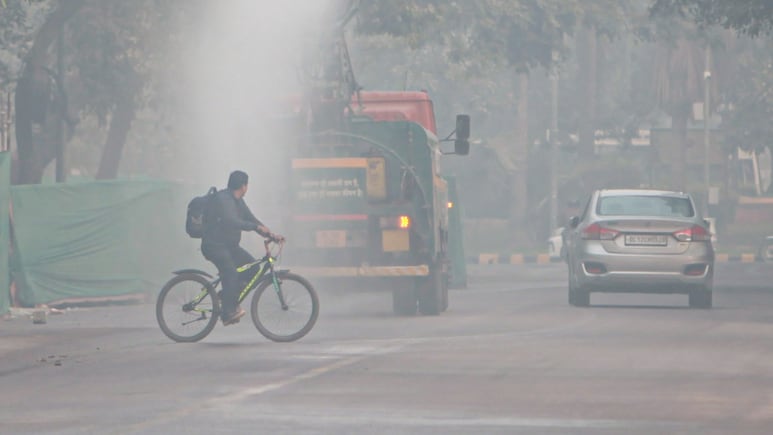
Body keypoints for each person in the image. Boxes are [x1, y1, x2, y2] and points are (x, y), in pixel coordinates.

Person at [201, 170, 284, 325]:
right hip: (214, 246)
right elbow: (231, 221)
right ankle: (228, 312)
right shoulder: (223, 199)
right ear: (243, 186)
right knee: (231, 273)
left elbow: (250, 218)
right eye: (247, 185)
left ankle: (227, 296)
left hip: (230, 247)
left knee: (253, 270)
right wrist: (255, 227)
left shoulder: (238, 201)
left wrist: (271, 235)